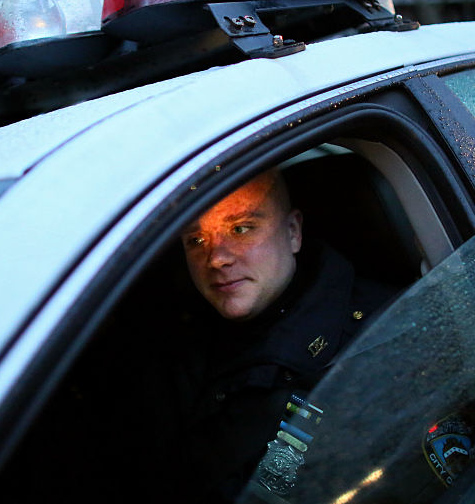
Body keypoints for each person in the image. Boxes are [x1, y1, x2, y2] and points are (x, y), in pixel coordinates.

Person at [164, 168, 398, 502]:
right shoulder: (174, 336)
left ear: (292, 232)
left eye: (241, 228)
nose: (216, 258)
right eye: (196, 241)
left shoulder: (376, 342)